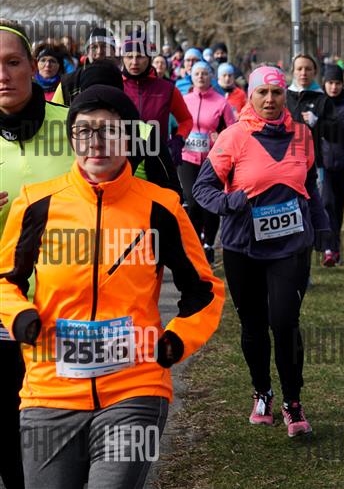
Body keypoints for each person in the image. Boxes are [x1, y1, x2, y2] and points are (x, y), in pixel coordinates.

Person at [0, 84, 225, 489]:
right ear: (72, 139)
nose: (96, 141)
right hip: (49, 390)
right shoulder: (37, 203)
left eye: (109, 130)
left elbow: (203, 291)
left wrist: (175, 341)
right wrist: (21, 318)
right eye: (84, 130)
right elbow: (5, 281)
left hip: (135, 388)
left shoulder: (161, 207)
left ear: (129, 138)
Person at [192, 66, 330, 437]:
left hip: (291, 246)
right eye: (262, 93)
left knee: (285, 322)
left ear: (286, 95)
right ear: (250, 96)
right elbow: (202, 189)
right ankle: (262, 392)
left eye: (277, 92)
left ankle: (293, 402)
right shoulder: (233, 136)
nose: (270, 100)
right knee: (253, 324)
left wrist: (324, 231)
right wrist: (230, 202)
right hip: (243, 248)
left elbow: (311, 188)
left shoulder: (302, 135)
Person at [0, 21, 76, 489]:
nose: (3, 75)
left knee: (58, 428)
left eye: (12, 62)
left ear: (33, 67)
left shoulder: (71, 126)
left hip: (66, 306)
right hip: (3, 307)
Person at [121, 31, 192, 198]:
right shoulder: (115, 86)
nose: (134, 62)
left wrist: (178, 139)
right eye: (129, 56)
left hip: (158, 161)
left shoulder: (167, 89)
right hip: (123, 163)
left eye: (140, 56)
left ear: (149, 58)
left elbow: (186, 120)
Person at [181, 61, 236, 263]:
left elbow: (233, 131)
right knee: (192, 202)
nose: (201, 77)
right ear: (192, 76)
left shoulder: (221, 103)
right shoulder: (184, 100)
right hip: (187, 157)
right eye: (197, 73)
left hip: (212, 159)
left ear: (211, 76)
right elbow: (176, 123)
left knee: (210, 203)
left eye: (204, 73)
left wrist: (219, 138)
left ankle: (209, 245)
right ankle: (195, 245)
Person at [320, 64, 344, 266]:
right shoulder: (318, 104)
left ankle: (334, 249)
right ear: (324, 83)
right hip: (323, 165)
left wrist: (332, 123)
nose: (334, 87)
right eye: (330, 83)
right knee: (327, 204)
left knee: (337, 209)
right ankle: (329, 250)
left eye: (337, 83)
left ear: (343, 84)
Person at [54, 27, 118, 104]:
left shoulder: (124, 82)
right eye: (94, 47)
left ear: (114, 52)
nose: (99, 52)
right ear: (87, 52)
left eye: (105, 47)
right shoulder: (68, 83)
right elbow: (54, 109)